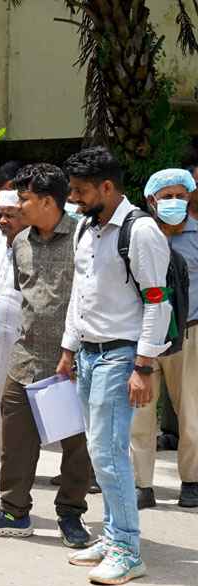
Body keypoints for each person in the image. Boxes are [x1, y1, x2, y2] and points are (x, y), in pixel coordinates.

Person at [59, 147, 172, 584]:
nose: (74, 198)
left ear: (107, 187)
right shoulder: (86, 229)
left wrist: (143, 365)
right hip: (88, 353)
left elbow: (156, 300)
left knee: (108, 453)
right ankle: (111, 536)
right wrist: (70, 348)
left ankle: (127, 548)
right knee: (98, 450)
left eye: (81, 190)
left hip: (122, 355)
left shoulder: (140, 231)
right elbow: (79, 292)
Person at [0, 163, 95, 547]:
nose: (18, 207)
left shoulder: (82, 237)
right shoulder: (20, 242)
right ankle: (14, 511)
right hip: (24, 358)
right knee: (17, 436)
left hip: (69, 361)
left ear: (47, 201)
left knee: (75, 443)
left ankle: (71, 514)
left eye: (24, 199)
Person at [129, 167, 198, 509]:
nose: (174, 202)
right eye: (167, 197)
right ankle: (142, 484)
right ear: (151, 199)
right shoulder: (139, 234)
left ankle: (192, 480)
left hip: (190, 331)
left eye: (180, 196)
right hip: (144, 334)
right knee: (141, 411)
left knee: (191, 410)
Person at [0, 190, 28, 473]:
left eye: (9, 215)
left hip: (22, 336)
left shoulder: (34, 250)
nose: (2, 221)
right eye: (0, 215)